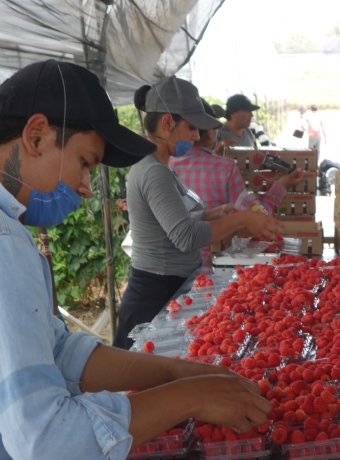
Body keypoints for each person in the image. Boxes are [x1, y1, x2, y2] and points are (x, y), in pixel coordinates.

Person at [0, 60, 273, 460]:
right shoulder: (5, 244)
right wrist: (188, 396)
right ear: (36, 136)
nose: (86, 188)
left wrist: (174, 372)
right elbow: (47, 441)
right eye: (85, 163)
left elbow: (57, 352)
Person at [113, 77, 282, 350]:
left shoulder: (161, 168)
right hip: (154, 294)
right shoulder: (153, 172)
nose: (196, 136)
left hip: (168, 285)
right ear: (168, 123)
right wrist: (241, 218)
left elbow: (173, 224)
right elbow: (184, 237)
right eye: (191, 128)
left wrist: (213, 214)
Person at [170, 99, 303, 262]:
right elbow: (258, 216)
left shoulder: (168, 165)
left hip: (176, 264)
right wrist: (282, 185)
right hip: (215, 263)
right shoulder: (225, 167)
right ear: (211, 132)